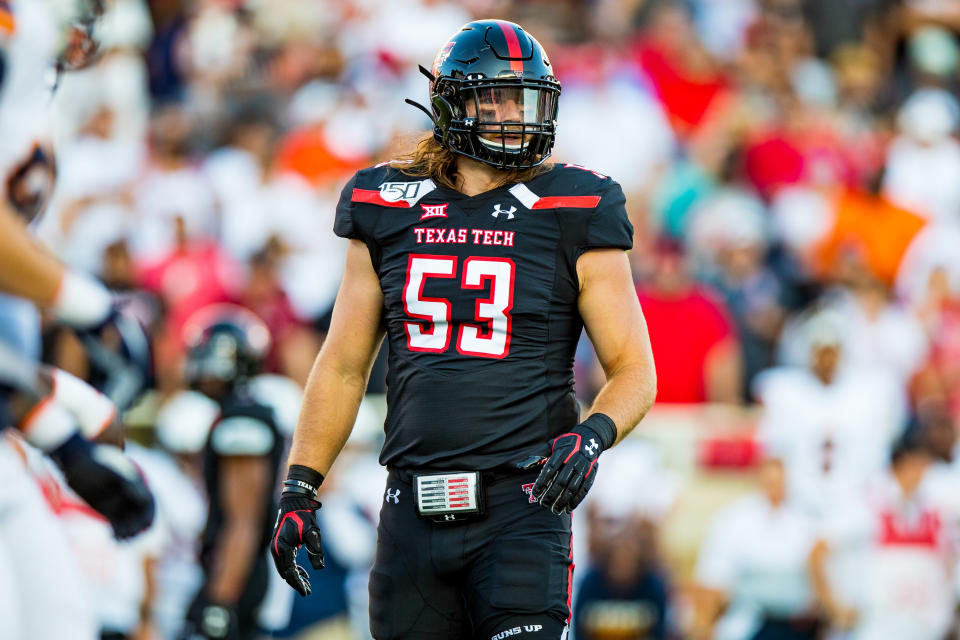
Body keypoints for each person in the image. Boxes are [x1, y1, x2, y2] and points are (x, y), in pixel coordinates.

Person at [269, 19, 657, 640]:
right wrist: (299, 485)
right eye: (494, 96)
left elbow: (634, 369)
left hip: (522, 509)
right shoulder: (386, 201)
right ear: (451, 103)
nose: (513, 113)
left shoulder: (577, 205)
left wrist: (592, 437)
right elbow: (343, 363)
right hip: (410, 514)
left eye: (524, 97)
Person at [180, 304, 285, 640]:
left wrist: (220, 600)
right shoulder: (237, 412)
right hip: (240, 575)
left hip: (240, 581)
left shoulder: (242, 419)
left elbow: (243, 521)